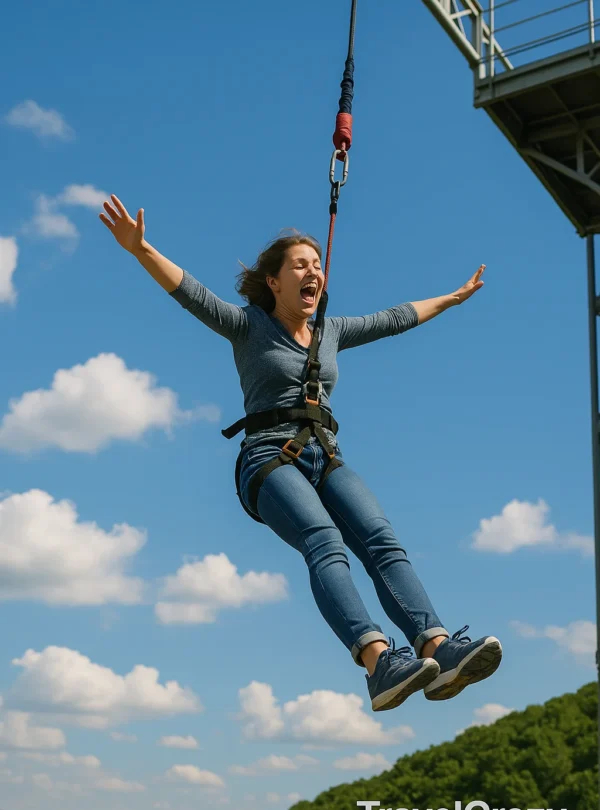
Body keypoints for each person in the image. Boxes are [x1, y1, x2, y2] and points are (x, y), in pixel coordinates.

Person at [99, 194, 502, 713]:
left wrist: (450, 299)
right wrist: (141, 249)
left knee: (382, 541)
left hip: (324, 456)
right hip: (268, 459)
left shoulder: (330, 331)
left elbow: (394, 318)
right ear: (275, 281)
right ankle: (379, 662)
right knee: (325, 540)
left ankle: (437, 649)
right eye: (300, 265)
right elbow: (190, 292)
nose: (313, 272)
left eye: (317, 264)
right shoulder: (248, 326)